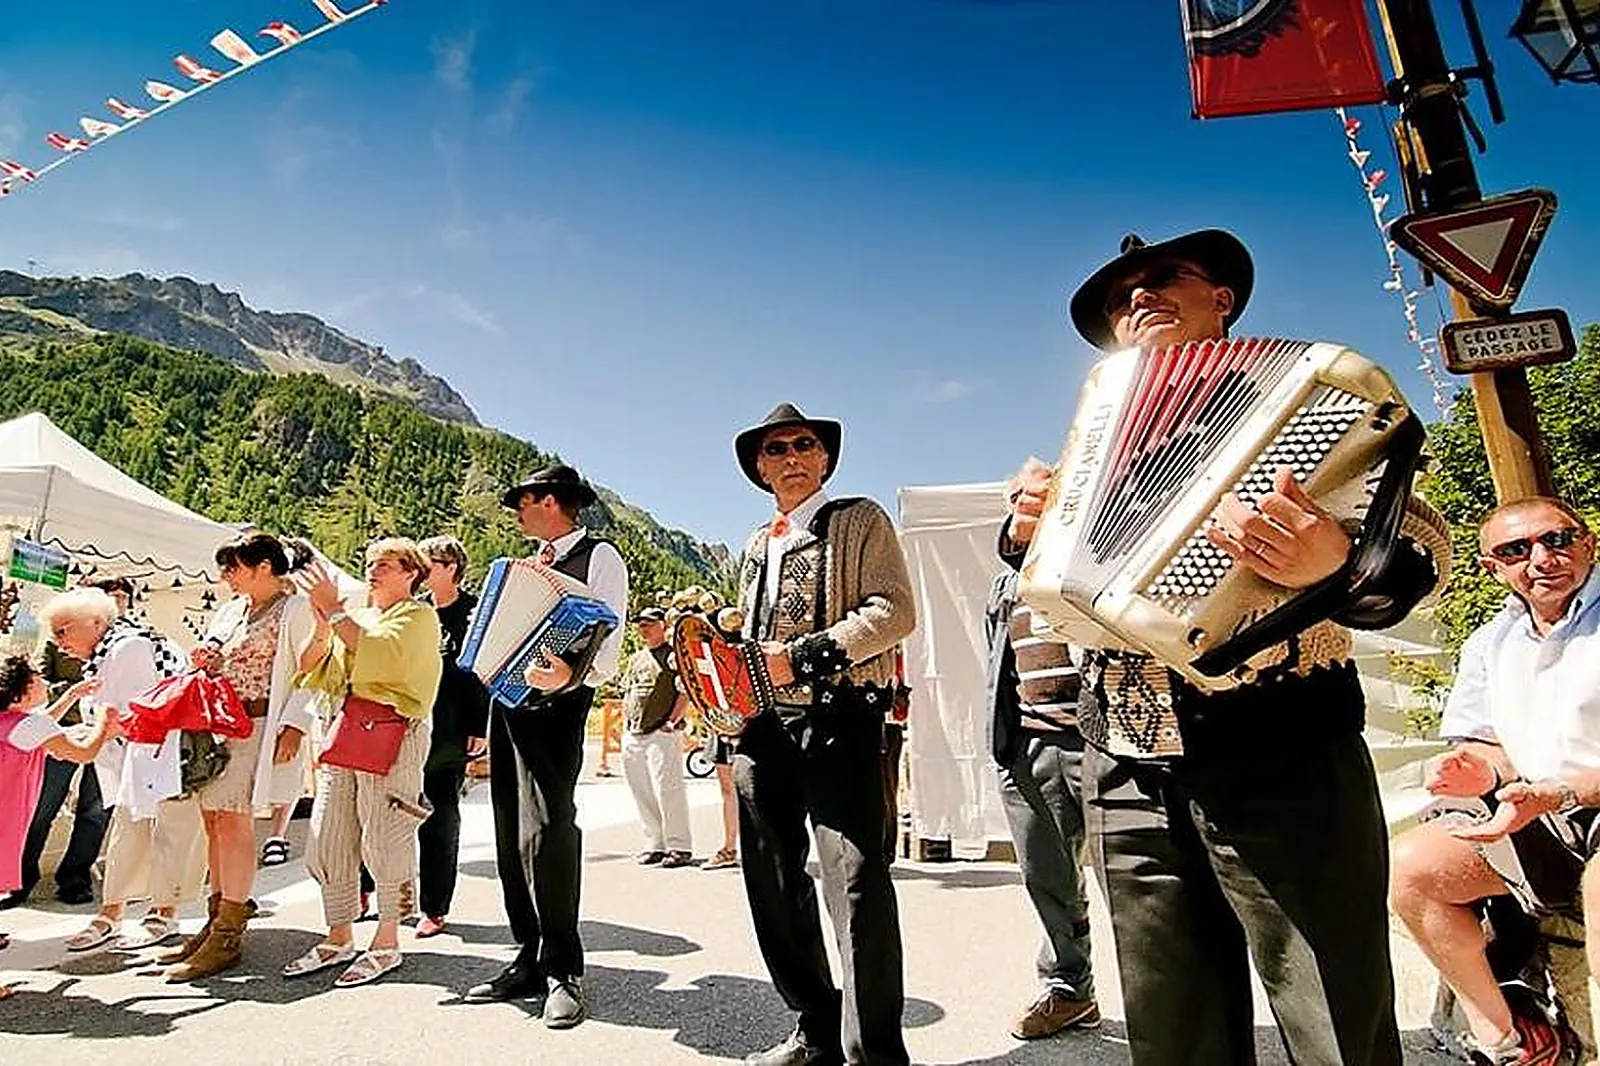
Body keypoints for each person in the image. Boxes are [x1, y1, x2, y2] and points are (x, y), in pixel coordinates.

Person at [1002, 228, 1453, 1065]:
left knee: (1330, 1015)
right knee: (1171, 1026)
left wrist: (1339, 564)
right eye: (1121, 296)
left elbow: (1423, 545)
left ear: (1223, 300)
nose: (1139, 296)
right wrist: (1023, 525)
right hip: (1125, 757)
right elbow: (1053, 573)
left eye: (1165, 277)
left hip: (1282, 744)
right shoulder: (1096, 434)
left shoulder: (1311, 399)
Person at [730, 402, 916, 1066]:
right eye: (776, 449)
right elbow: (750, 633)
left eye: (804, 445)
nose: (791, 458)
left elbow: (894, 610)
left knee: (856, 882)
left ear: (826, 458)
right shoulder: (756, 543)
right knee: (772, 881)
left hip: (839, 718)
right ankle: (815, 1026)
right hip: (762, 728)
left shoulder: (860, 519)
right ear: (761, 468)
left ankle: (875, 1054)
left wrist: (803, 657)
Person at [1390, 496, 1600, 1065]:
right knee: (1413, 868)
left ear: (1588, 543)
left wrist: (1562, 793)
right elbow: (1484, 744)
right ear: (1494, 567)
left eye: (1557, 539)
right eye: (1516, 550)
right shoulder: (1490, 642)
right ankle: (1511, 1039)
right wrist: (1480, 769)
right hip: (1535, 810)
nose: (1541, 559)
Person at [464, 464, 628, 1030]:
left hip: (559, 708)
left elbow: (608, 640)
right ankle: (529, 957)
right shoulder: (525, 567)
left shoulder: (600, 556)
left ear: (553, 502)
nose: (518, 511)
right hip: (509, 705)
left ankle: (563, 969)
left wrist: (568, 676)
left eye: (525, 500)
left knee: (549, 832)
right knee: (510, 834)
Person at [159, 533, 320, 981]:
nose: (227, 576)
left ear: (264, 566)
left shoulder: (296, 608)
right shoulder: (232, 610)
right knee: (214, 820)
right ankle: (218, 920)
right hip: (221, 725)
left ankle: (228, 931)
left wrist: (295, 723)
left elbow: (313, 669)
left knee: (233, 819)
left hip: (259, 725)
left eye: (234, 568)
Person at [283, 537, 442, 988]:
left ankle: (387, 940)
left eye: (386, 564)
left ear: (412, 572)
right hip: (346, 727)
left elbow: (385, 655)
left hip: (394, 730)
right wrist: (322, 624)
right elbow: (313, 667)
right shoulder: (359, 615)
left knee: (385, 835)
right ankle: (338, 936)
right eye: (371, 562)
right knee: (328, 833)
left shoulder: (418, 616)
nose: (374, 570)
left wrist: (335, 612)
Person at [40, 587, 205, 954]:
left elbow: (140, 714)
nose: (59, 642)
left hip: (162, 757)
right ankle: (113, 912)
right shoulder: (108, 651)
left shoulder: (128, 647)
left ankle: (161, 913)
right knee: (129, 833)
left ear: (95, 622)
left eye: (63, 631)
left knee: (168, 833)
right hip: (137, 758)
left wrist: (84, 737)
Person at [984, 567, 1100, 1039]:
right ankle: (1071, 990)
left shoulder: (1093, 555)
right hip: (1030, 742)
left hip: (1107, 740)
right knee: (1048, 877)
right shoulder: (1007, 583)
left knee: (1142, 884)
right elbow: (1000, 659)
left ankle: (1170, 1007)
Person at [0, 656, 116, 950]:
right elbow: (84, 753)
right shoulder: (29, 726)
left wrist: (72, 695)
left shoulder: (11, 720)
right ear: (23, 691)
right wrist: (105, 724)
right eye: (37, 677)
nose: (44, 681)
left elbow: (42, 724)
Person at [414, 534, 490, 938]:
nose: (421, 570)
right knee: (382, 812)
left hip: (450, 730)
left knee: (439, 816)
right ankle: (370, 891)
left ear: (451, 568)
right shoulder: (415, 609)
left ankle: (435, 907)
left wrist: (480, 726)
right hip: (406, 724)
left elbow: (482, 673)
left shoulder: (475, 613)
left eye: (428, 563)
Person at [620, 607, 693, 868]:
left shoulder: (674, 656)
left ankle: (679, 846)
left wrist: (672, 721)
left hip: (662, 731)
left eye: (649, 623)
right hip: (634, 731)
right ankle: (655, 843)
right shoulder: (637, 658)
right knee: (641, 790)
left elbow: (686, 690)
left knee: (668, 789)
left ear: (663, 625)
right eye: (641, 624)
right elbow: (628, 691)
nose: (644, 629)